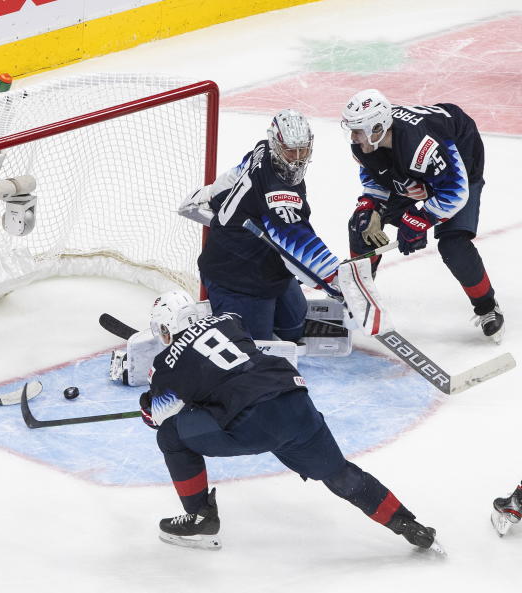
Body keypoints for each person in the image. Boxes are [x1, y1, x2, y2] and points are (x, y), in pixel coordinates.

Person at [139, 290, 443, 554]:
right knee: (340, 474)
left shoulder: (165, 363)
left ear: (167, 326)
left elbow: (158, 416)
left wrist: (148, 405)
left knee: (170, 436)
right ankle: (406, 523)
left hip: (251, 421)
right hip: (293, 401)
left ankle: (200, 516)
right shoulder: (229, 319)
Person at [340, 89, 503, 343]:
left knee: (453, 244)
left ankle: (487, 307)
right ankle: (360, 297)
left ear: (378, 127)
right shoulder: (366, 141)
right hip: (413, 163)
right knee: (362, 224)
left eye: (358, 130)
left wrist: (420, 218)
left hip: (459, 150)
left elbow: (455, 191)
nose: (352, 136)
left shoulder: (422, 147)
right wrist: (371, 204)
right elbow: (375, 174)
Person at [181, 109, 339, 342]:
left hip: (267, 264)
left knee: (293, 328)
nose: (297, 158)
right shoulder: (279, 192)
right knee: (253, 345)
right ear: (276, 144)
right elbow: (296, 239)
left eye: (302, 150)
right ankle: (200, 324)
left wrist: (212, 196)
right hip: (234, 274)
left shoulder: (263, 150)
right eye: (290, 150)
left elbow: (236, 176)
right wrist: (336, 278)